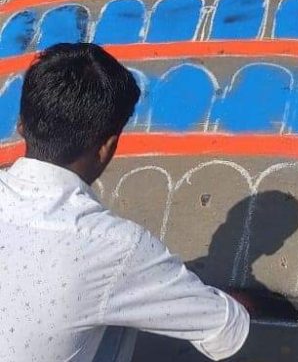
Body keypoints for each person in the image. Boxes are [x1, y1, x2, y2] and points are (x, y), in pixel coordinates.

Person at [0, 43, 249, 362]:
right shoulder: (117, 247)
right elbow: (225, 329)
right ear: (107, 147)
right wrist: (236, 302)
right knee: (122, 304)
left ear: (21, 123)